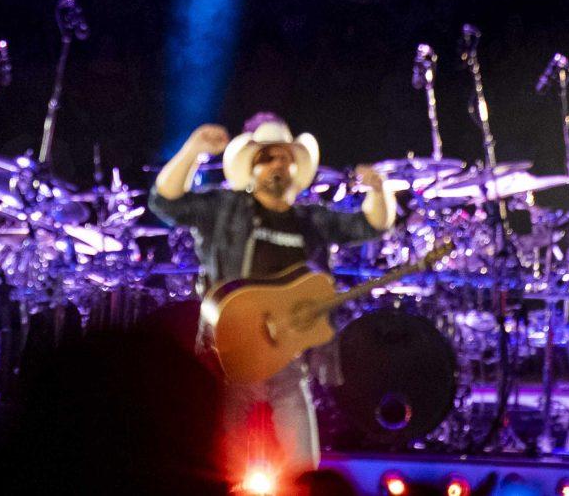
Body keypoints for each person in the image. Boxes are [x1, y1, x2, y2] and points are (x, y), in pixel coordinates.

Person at [149, 116, 395, 472]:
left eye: (285, 157)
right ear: (250, 168)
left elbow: (372, 224)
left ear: (296, 167)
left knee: (302, 467)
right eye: (267, 158)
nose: (278, 164)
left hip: (286, 355)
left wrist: (379, 190)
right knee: (220, 462)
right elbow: (165, 202)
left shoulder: (311, 219)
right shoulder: (224, 208)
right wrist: (194, 150)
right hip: (226, 352)